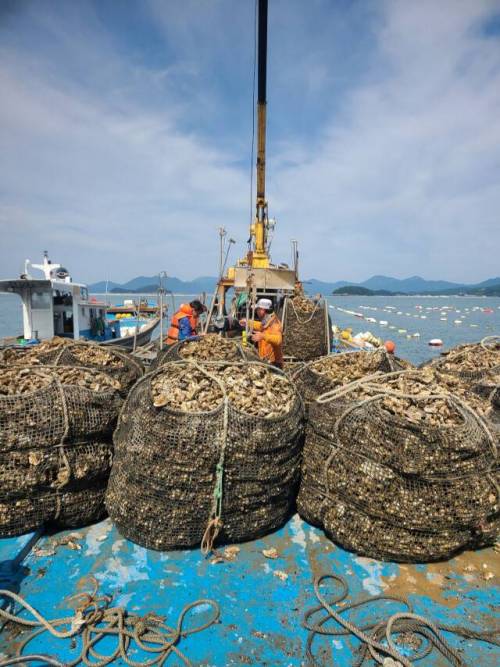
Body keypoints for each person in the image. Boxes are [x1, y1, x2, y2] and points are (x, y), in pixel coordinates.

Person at [240, 298, 283, 369]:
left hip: (274, 364)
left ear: (262, 310)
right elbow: (260, 326)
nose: (256, 311)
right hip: (266, 361)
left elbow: (278, 340)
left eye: (257, 309)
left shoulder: (275, 324)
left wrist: (262, 336)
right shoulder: (267, 321)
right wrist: (247, 322)